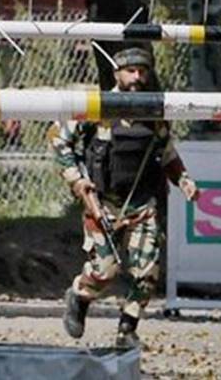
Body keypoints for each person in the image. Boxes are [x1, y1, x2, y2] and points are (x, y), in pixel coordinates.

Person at [48, 47, 199, 348]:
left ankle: (127, 329)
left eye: (143, 71)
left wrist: (183, 180)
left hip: (143, 205)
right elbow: (58, 140)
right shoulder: (97, 108)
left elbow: (166, 152)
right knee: (104, 271)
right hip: (103, 204)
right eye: (131, 71)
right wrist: (78, 182)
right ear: (117, 73)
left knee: (147, 270)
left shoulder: (154, 113)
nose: (137, 76)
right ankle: (79, 295)